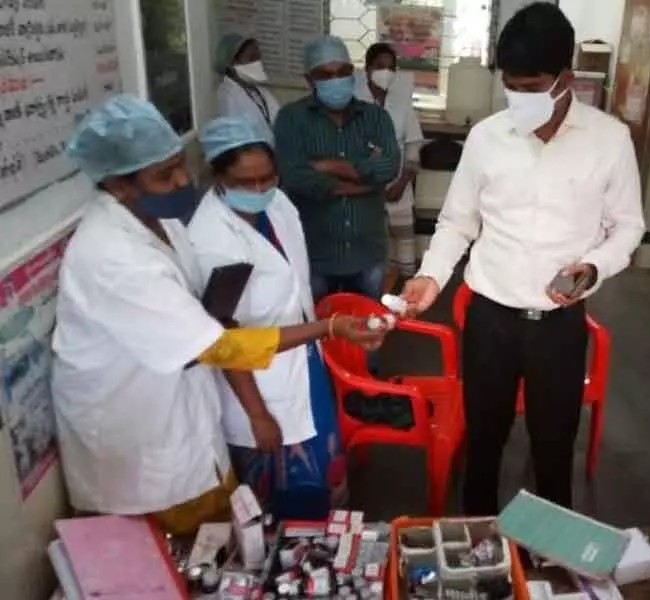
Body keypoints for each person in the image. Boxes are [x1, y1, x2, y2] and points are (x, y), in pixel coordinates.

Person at [52, 95, 385, 535]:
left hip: (207, 395)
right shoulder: (114, 255)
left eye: (179, 165)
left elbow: (212, 311)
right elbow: (219, 341)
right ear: (118, 184)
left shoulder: (164, 224)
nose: (181, 180)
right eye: (164, 175)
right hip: (138, 424)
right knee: (164, 550)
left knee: (228, 524)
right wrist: (329, 327)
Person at [401, 3, 645, 515]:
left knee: (554, 448)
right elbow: (457, 222)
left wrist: (595, 266)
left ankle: (548, 565)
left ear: (566, 79)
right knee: (483, 443)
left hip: (559, 325)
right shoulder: (488, 137)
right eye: (512, 87)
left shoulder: (609, 140)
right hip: (490, 319)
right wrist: (430, 277)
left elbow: (628, 228)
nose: (521, 99)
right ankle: (480, 552)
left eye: (533, 88)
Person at [187, 117, 350, 519]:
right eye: (246, 182)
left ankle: (329, 547)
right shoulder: (212, 241)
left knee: (323, 470)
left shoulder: (277, 203)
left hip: (303, 359)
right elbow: (224, 339)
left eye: (267, 177)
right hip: (258, 381)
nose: (259, 189)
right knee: (282, 490)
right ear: (218, 176)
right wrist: (257, 415)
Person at [274, 35, 400, 302]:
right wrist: (365, 181)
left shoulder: (376, 117)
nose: (336, 80)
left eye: (343, 72)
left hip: (367, 251)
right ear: (310, 80)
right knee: (316, 333)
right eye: (326, 74)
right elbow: (295, 177)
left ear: (352, 74)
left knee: (367, 330)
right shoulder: (291, 119)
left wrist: (329, 165)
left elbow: (389, 167)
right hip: (315, 253)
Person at [355, 43, 425, 278]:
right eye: (379, 66)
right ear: (367, 69)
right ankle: (374, 299)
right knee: (371, 249)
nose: (386, 72)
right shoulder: (354, 105)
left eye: (391, 67)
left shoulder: (402, 105)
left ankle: (405, 298)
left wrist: (401, 184)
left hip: (399, 188)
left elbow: (413, 147)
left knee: (404, 245)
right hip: (363, 188)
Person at [215, 33, 281, 139]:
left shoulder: (260, 91)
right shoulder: (227, 95)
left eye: (259, 58)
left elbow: (280, 120)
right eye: (252, 58)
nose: (258, 63)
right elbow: (236, 138)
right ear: (232, 63)